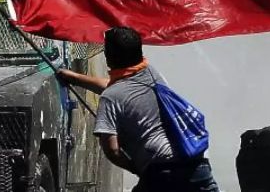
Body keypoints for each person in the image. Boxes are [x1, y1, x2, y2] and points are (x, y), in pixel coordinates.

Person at [57, 26, 218, 192]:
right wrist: (74, 78)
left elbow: (112, 150)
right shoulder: (152, 74)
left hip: (162, 172)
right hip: (198, 166)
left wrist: (136, 168)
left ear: (108, 56)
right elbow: (117, 89)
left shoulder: (111, 97)